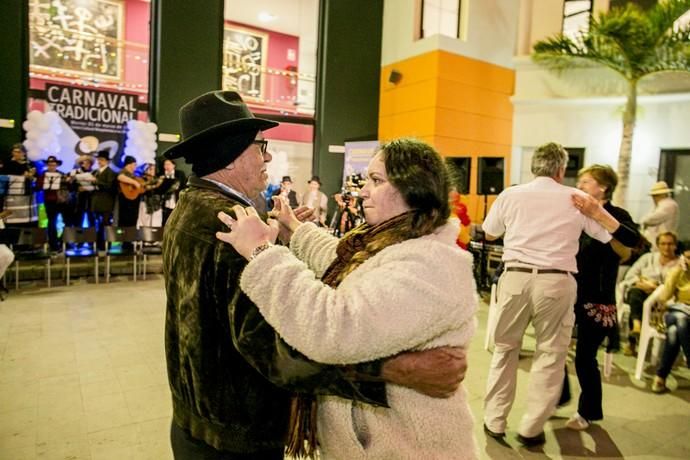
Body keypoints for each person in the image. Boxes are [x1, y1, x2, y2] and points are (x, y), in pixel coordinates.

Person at [161, 90, 469, 459]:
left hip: (200, 423)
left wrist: (290, 240)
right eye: (261, 146)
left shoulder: (195, 205)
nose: (268, 155)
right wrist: (391, 371)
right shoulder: (233, 224)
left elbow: (350, 264)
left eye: (376, 180)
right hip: (234, 435)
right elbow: (274, 351)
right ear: (230, 155)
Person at [216, 137, 478, 459]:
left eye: (376, 180)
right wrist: (295, 229)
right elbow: (345, 264)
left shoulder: (433, 266)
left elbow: (333, 328)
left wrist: (261, 253)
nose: (364, 190)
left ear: (414, 189)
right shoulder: (395, 243)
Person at [481, 143, 626, 446]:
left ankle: (494, 421)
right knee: (550, 354)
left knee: (506, 349)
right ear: (561, 170)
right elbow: (605, 237)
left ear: (535, 166)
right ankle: (531, 428)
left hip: (516, 277)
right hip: (557, 282)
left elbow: (490, 232)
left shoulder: (511, 194)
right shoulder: (577, 199)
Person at [564, 165, 640, 431]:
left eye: (587, 181)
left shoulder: (619, 215)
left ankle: (587, 412)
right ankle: (558, 396)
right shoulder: (572, 212)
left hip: (597, 296)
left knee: (585, 358)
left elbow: (629, 247)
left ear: (603, 187)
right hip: (567, 290)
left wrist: (599, 216)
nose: (581, 184)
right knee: (553, 348)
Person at [620, 232, 680, 356]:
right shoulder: (648, 258)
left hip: (662, 300)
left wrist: (656, 287)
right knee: (636, 294)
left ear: (675, 246)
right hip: (640, 292)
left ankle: (633, 338)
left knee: (639, 301)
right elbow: (630, 275)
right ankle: (637, 328)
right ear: (658, 245)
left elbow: (678, 286)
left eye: (670, 244)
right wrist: (640, 282)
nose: (666, 247)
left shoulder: (679, 263)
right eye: (663, 244)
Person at [651, 243, 690, 393]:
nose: (689, 261)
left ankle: (660, 377)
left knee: (674, 332)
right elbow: (664, 298)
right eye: (687, 257)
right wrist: (676, 272)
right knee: (680, 319)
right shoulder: (677, 272)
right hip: (675, 312)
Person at [37, 155, 70, 251]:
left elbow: (68, 188)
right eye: (50, 165)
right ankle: (53, 244)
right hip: (49, 201)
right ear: (47, 165)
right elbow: (39, 187)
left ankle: (63, 241)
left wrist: (68, 181)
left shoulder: (61, 174)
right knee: (52, 222)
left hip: (61, 201)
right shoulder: (43, 175)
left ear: (57, 165)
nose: (52, 166)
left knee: (66, 221)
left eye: (54, 165)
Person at [641, 181, 679, 250]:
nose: (654, 198)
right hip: (655, 243)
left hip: (661, 244)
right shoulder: (659, 206)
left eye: (656, 195)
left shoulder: (668, 205)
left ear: (663, 194)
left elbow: (649, 220)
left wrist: (644, 221)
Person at [91, 149, 117, 248]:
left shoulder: (110, 172)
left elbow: (109, 186)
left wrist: (97, 181)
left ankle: (106, 244)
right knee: (96, 224)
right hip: (96, 202)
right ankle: (97, 243)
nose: (99, 162)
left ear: (107, 161)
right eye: (98, 159)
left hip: (106, 203)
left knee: (105, 224)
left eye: (101, 160)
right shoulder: (95, 172)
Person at [68, 156, 96, 227]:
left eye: (88, 163)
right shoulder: (75, 172)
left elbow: (97, 185)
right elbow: (70, 187)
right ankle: (77, 235)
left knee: (92, 219)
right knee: (78, 218)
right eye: (84, 163)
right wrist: (77, 188)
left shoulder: (94, 172)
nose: (86, 164)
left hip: (91, 199)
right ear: (81, 164)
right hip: (78, 199)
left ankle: (92, 235)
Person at [116, 155, 142, 227]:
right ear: (129, 164)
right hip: (125, 201)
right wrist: (135, 182)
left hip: (132, 202)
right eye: (134, 165)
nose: (135, 167)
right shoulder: (123, 172)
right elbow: (120, 177)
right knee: (124, 221)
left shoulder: (133, 174)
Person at [136, 163, 164, 228]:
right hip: (145, 205)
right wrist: (156, 185)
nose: (151, 171)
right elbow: (144, 188)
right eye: (149, 169)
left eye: (153, 169)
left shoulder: (158, 179)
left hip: (156, 206)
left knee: (155, 226)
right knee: (144, 225)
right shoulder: (141, 179)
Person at [160, 158, 186, 226]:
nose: (167, 166)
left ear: (173, 165)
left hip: (177, 201)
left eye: (168, 164)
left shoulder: (180, 174)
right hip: (164, 202)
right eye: (165, 164)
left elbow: (184, 187)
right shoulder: (161, 175)